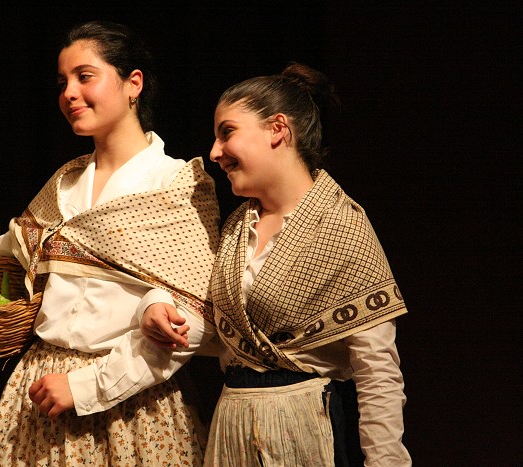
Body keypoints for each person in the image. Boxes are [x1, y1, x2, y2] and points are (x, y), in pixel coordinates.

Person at [0, 20, 220, 466]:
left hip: (131, 406)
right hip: (38, 395)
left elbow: (193, 317)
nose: (69, 93)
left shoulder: (176, 184)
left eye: (85, 76)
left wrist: (88, 387)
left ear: (133, 83)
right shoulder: (65, 184)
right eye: (63, 82)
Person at [141, 63, 411, 466]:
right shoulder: (236, 226)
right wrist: (156, 304)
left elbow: (377, 372)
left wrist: (386, 462)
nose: (214, 152)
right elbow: (210, 316)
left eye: (227, 132)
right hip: (232, 425)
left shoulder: (341, 226)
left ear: (278, 130)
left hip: (306, 427)